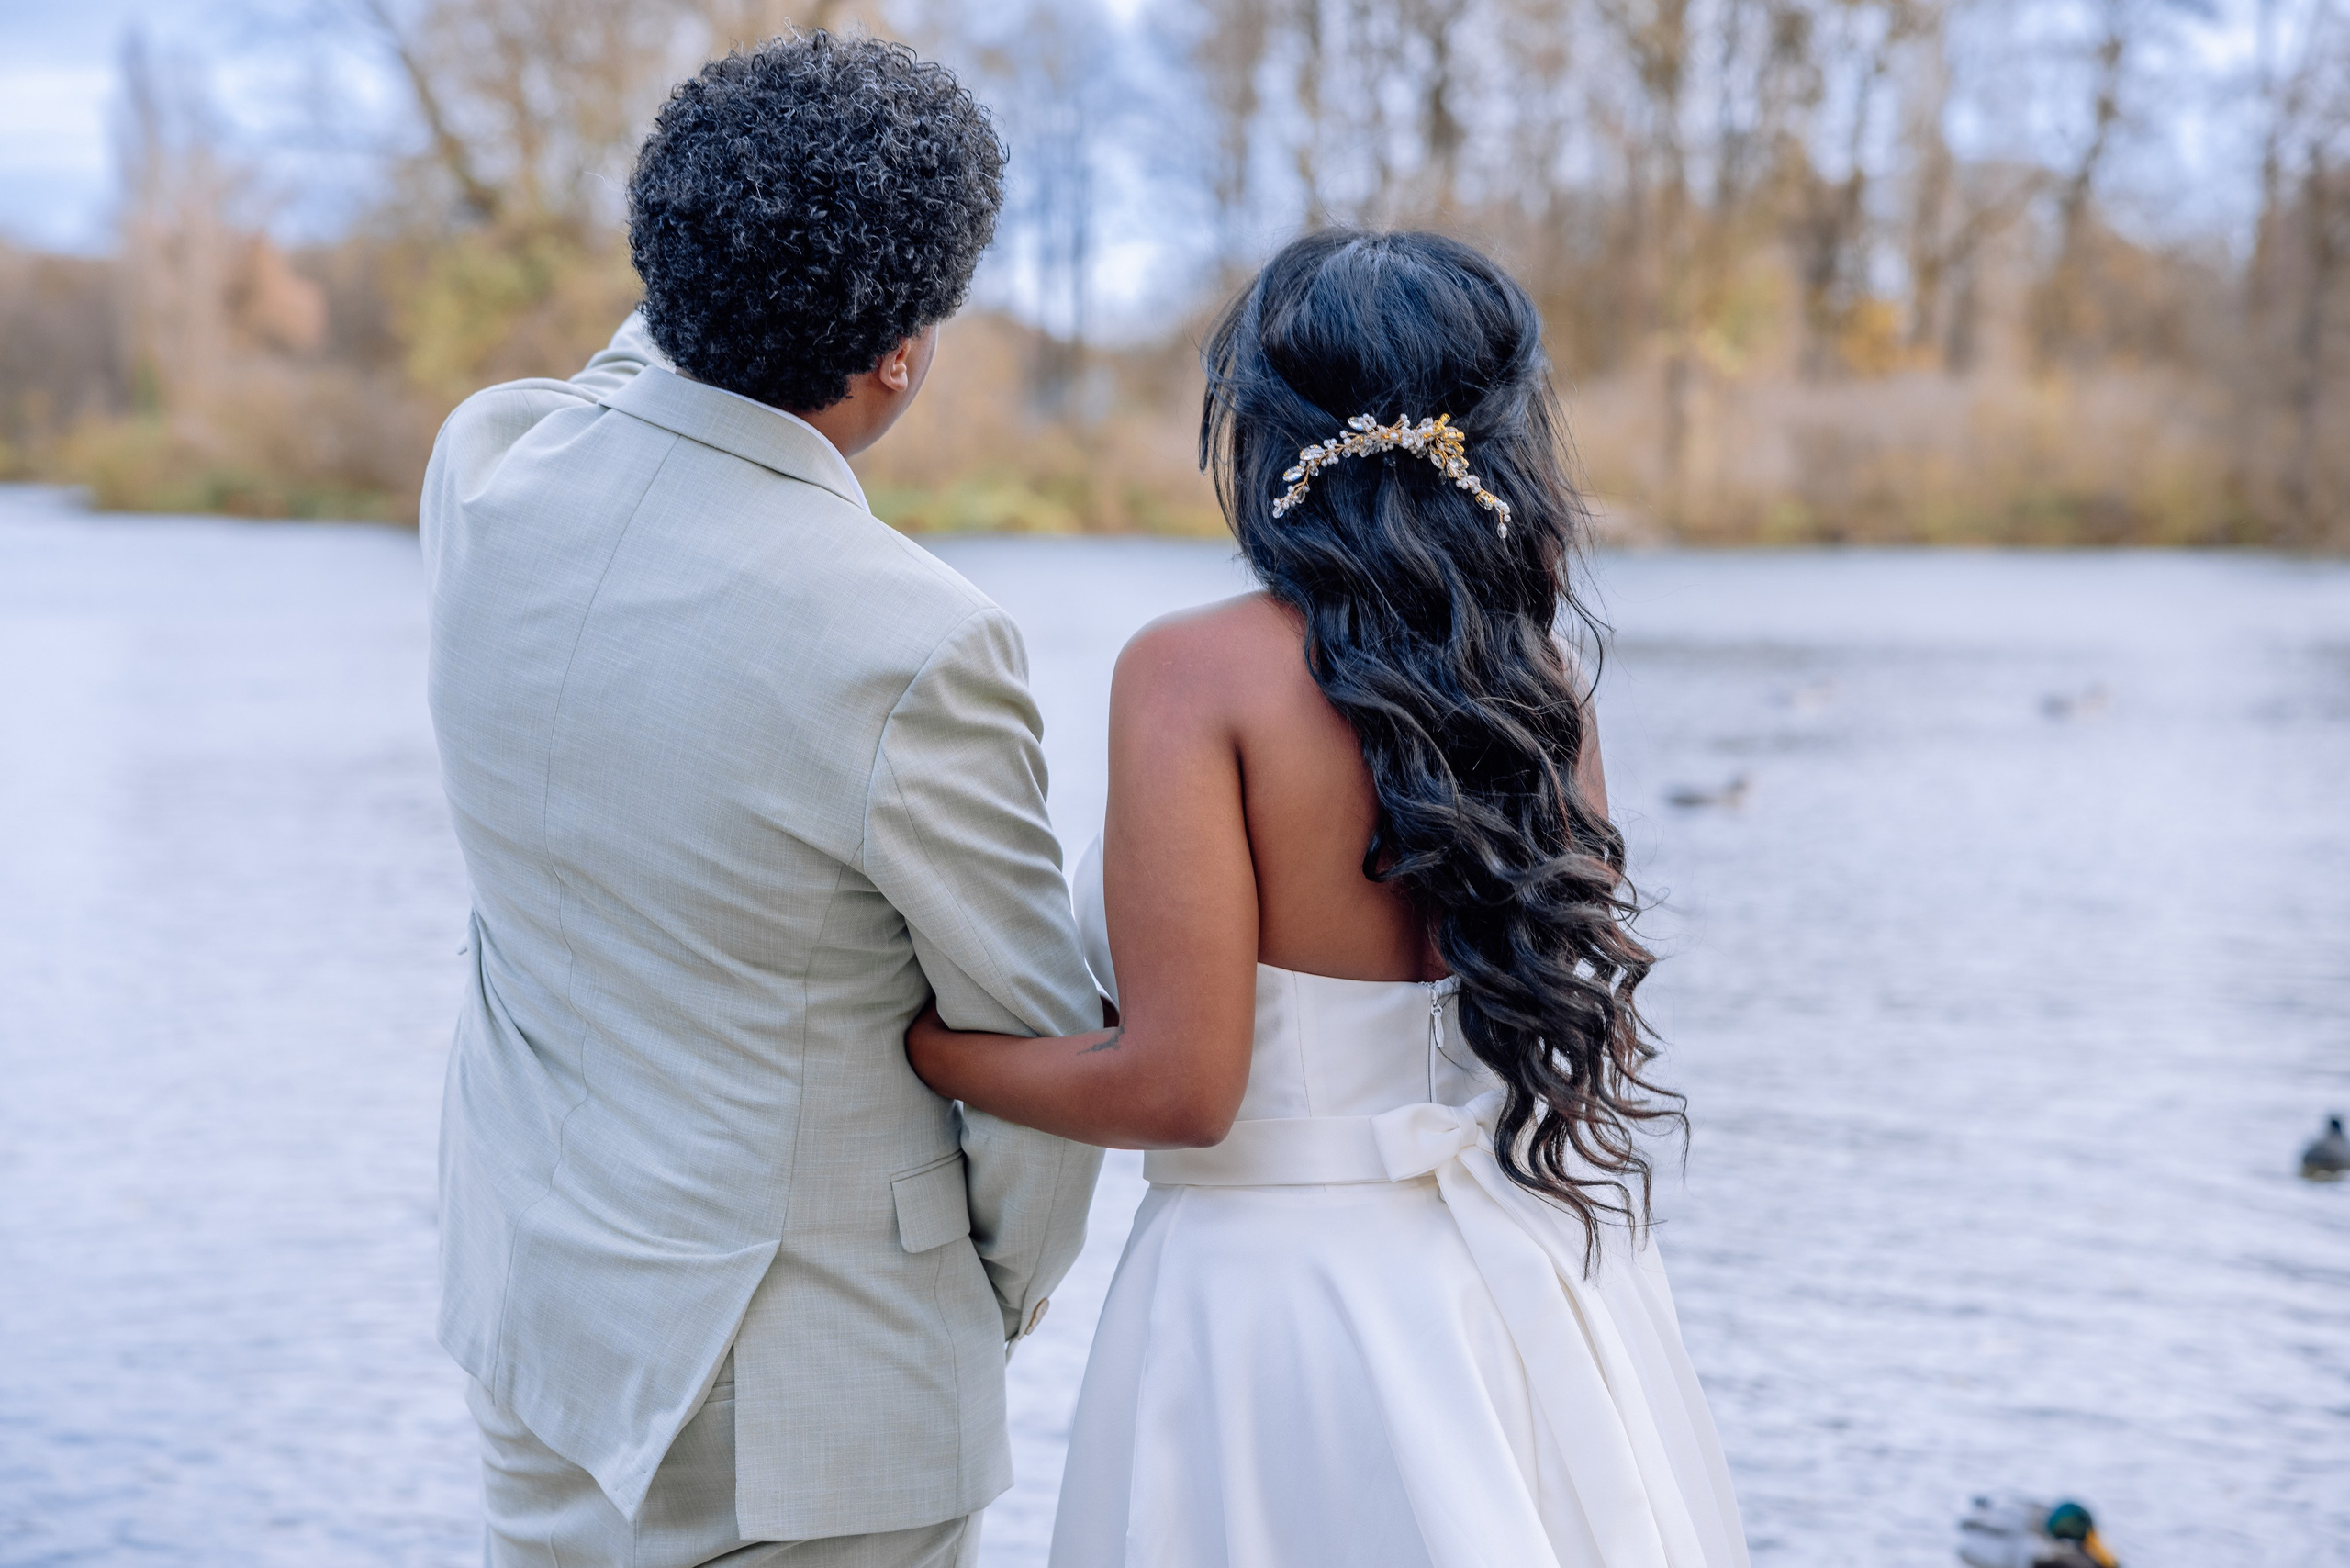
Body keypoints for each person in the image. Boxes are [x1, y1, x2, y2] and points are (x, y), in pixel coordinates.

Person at [907, 230, 1751, 1568]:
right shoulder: (1542, 692)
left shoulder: (1193, 674)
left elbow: (1181, 1090)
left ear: (1262, 436)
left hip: (1276, 1312)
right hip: (1532, 1282)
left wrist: (923, 1049)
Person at [420, 35, 1105, 1568]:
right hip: (819, 1388)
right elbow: (1038, 1043)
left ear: (663, 262)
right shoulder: (913, 639)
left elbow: (635, 363)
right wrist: (976, 1304)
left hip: (544, 1333)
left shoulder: (486, 474)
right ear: (900, 355)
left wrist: (709, 265)